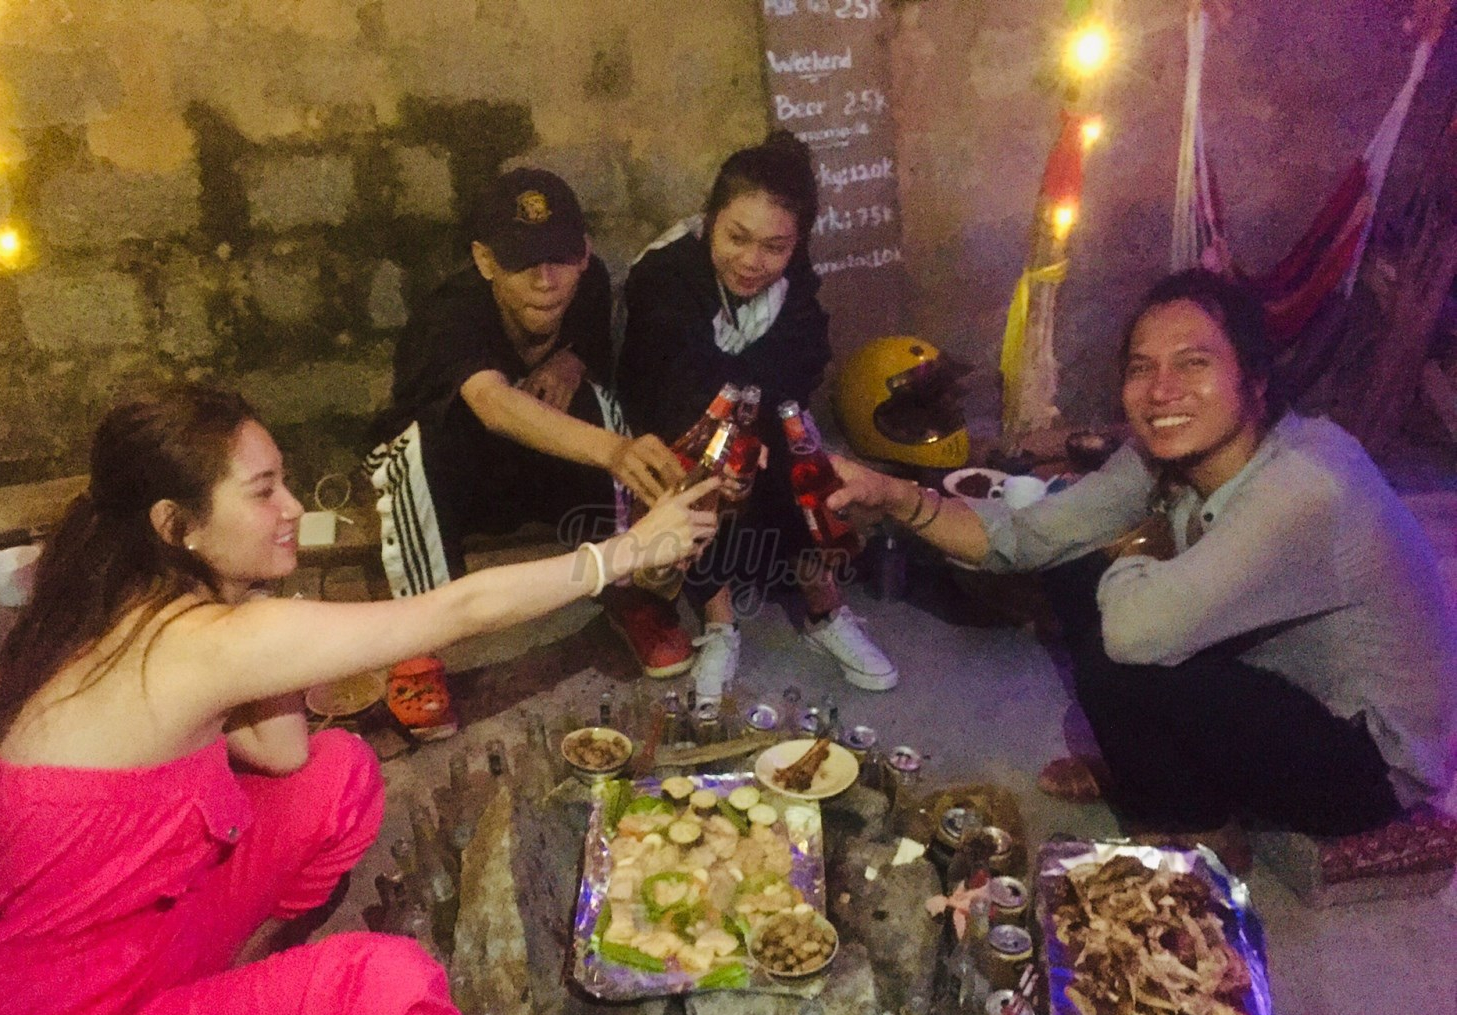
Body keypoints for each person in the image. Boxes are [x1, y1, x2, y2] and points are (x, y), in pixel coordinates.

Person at [0, 386, 717, 1015]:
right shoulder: (201, 643)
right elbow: (459, 610)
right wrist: (627, 551)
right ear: (176, 524)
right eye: (263, 492)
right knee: (388, 992)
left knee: (337, 771)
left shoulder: (135, 597)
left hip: (135, 938)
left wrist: (256, 601)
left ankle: (243, 995)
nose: (293, 508)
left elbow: (284, 753)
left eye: (284, 482)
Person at [828, 269, 1456, 846]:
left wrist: (1131, 551)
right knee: (1076, 573)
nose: (1161, 391)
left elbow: (1132, 634)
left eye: (1193, 363)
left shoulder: (1305, 485)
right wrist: (892, 494)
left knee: (1121, 651)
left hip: (1365, 760)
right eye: (1141, 368)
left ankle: (1200, 830)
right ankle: (1157, 775)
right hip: (1271, 680)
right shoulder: (1166, 454)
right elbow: (1020, 539)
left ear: (1255, 380)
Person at [368, 167, 695, 678]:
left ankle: (628, 591)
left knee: (605, 407)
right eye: (521, 263)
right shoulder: (451, 313)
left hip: (539, 473)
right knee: (408, 454)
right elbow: (493, 404)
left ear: (584, 253)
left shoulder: (587, 285)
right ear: (485, 261)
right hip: (458, 479)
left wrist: (573, 361)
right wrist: (614, 451)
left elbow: (591, 338)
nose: (545, 282)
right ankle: (417, 645)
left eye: (560, 258)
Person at [616, 131, 897, 701]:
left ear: (797, 242)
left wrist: (760, 421)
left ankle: (824, 611)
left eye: (774, 246)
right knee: (716, 462)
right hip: (673, 419)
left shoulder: (795, 279)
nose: (752, 261)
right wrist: (736, 431)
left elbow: (801, 357)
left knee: (795, 446)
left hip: (753, 410)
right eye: (737, 237)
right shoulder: (664, 276)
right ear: (710, 221)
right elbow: (664, 377)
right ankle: (719, 621)